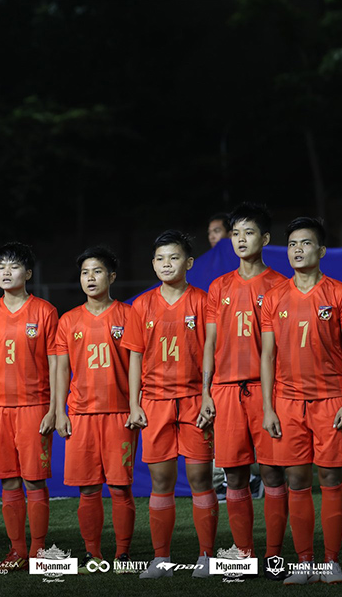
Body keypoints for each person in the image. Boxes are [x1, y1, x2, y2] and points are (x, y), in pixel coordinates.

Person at [261, 217, 342, 585]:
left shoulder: (340, 294)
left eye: (305, 243)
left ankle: (330, 563)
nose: (297, 249)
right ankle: (305, 563)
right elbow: (267, 355)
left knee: (331, 478)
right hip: (287, 403)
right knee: (297, 480)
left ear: (321, 250)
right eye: (291, 244)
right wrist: (268, 407)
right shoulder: (274, 298)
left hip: (330, 401)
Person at [198, 203, 287, 577]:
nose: (240, 240)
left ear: (264, 239)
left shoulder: (280, 285)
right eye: (235, 233)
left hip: (267, 392)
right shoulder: (219, 286)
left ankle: (274, 556)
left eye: (248, 233)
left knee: (272, 474)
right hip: (225, 391)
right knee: (234, 476)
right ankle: (243, 555)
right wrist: (206, 392)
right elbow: (209, 343)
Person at [122, 231, 216, 579]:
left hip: (193, 401)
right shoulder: (142, 305)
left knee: (200, 477)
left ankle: (207, 557)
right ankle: (161, 560)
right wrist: (134, 403)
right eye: (160, 259)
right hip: (155, 402)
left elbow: (211, 353)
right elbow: (135, 357)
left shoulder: (203, 301)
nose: (166, 264)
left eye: (174, 258)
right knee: (161, 480)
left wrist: (207, 394)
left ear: (189, 263)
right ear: (152, 264)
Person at [0, 242, 58, 570]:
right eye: (1, 266)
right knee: (8, 480)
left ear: (28, 273)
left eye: (14, 266)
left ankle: (39, 551)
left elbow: (56, 364)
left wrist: (54, 408)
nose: (6, 272)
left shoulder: (45, 312)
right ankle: (17, 551)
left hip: (34, 407)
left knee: (34, 480)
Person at [54, 247, 137, 572]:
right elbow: (62, 369)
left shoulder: (128, 315)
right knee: (88, 488)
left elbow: (137, 365)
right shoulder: (68, 320)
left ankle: (123, 553)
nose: (90, 278)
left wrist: (135, 406)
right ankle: (93, 553)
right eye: (85, 272)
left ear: (111, 277)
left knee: (119, 486)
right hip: (81, 414)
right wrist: (60, 411)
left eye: (97, 271)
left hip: (119, 414)